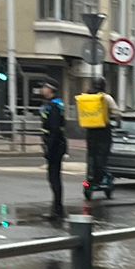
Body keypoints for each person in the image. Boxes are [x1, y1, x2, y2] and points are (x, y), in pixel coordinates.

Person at [75, 78, 118, 201]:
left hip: (90, 132)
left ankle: (89, 181)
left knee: (91, 157)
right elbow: (116, 112)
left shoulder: (85, 98)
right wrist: (116, 120)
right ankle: (103, 179)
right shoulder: (106, 98)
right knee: (102, 157)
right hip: (104, 132)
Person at [37, 81, 68, 218]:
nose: (42, 89)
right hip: (56, 145)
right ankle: (57, 208)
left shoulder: (54, 106)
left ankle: (58, 210)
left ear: (51, 90)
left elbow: (55, 129)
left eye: (44, 87)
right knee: (54, 177)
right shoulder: (53, 105)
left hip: (55, 146)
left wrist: (49, 147)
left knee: (54, 178)